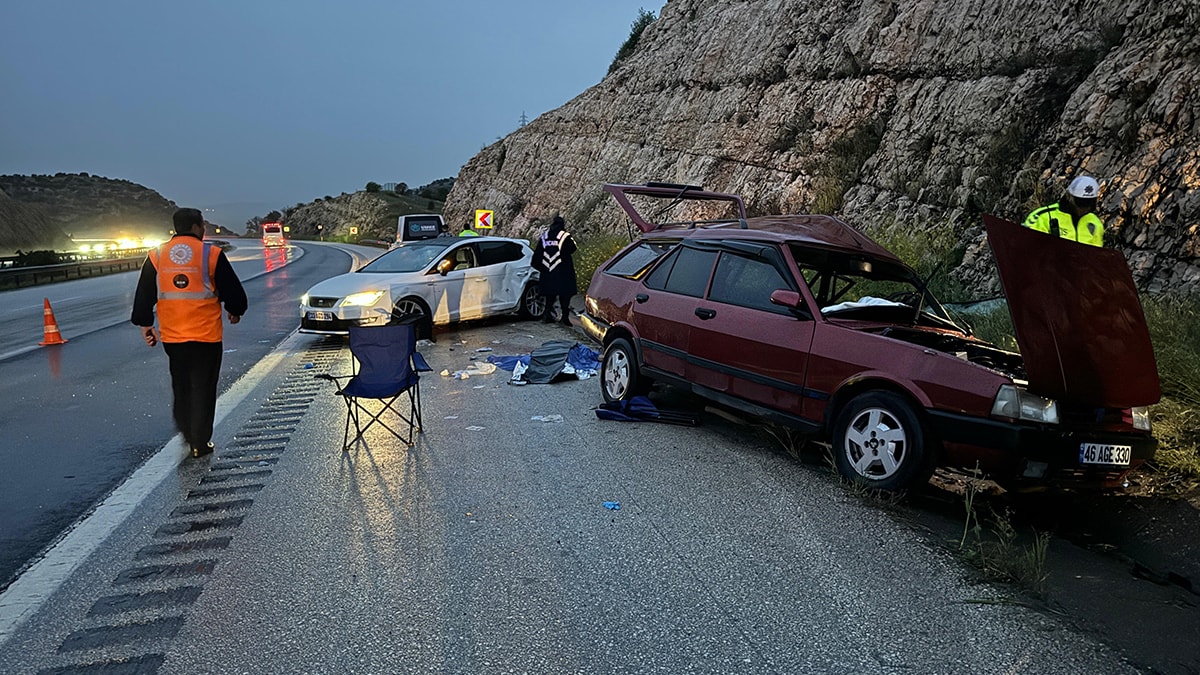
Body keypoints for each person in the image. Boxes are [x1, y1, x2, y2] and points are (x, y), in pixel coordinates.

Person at [131, 208, 248, 458]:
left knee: (181, 385)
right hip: (206, 336)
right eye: (202, 225)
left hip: (173, 337)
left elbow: (144, 295)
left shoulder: (157, 255)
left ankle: (186, 433)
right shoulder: (210, 253)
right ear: (197, 226)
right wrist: (235, 310)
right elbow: (234, 292)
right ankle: (200, 442)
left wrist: (145, 324)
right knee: (203, 388)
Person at [1022, 176, 1104, 247]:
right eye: (1081, 202)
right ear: (1069, 196)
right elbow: (1027, 247)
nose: (1085, 208)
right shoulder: (1042, 216)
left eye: (1089, 203)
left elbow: (1097, 258)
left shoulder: (1095, 223)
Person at [533, 215, 578, 326]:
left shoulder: (545, 236)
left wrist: (542, 268)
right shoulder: (565, 236)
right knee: (565, 295)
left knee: (549, 295)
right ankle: (564, 318)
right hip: (563, 271)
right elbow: (573, 248)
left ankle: (546, 315)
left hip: (548, 271)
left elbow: (537, 256)